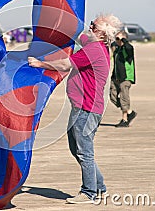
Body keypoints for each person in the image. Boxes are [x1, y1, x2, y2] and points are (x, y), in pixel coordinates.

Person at [28, 14, 122, 205]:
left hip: (87, 109)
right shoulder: (96, 45)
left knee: (84, 150)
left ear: (102, 33)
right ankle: (99, 186)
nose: (90, 25)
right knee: (75, 147)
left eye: (93, 25)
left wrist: (40, 63)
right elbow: (80, 36)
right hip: (81, 107)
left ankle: (89, 192)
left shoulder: (95, 49)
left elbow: (64, 65)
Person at [110, 30, 137, 128]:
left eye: (119, 39)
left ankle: (125, 119)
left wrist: (124, 40)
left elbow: (129, 47)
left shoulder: (128, 49)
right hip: (116, 77)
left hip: (125, 78)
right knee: (112, 97)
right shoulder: (116, 49)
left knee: (124, 98)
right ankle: (129, 112)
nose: (117, 40)